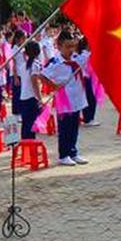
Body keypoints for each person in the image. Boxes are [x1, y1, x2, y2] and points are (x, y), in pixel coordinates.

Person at [41, 30, 89, 165]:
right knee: (64, 128)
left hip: (77, 98)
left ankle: (73, 152)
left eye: (72, 46)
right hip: (64, 100)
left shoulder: (76, 58)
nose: (71, 50)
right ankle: (64, 155)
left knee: (74, 127)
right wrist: (54, 86)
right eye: (67, 47)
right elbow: (42, 75)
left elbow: (90, 55)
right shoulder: (56, 62)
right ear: (59, 46)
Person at [18, 41, 44, 139]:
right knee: (31, 123)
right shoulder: (35, 65)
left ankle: (25, 141)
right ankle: (30, 142)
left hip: (23, 97)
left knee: (25, 123)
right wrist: (40, 98)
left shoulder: (23, 66)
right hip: (32, 97)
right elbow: (34, 83)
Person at [77, 37, 100, 127]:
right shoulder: (86, 55)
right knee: (90, 99)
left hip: (85, 78)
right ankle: (88, 118)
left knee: (88, 98)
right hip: (85, 78)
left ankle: (88, 117)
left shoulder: (82, 54)